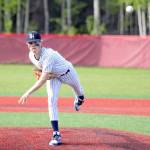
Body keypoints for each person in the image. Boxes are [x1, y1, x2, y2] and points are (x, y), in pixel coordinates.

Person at [18, 31, 85, 146]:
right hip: (54, 77)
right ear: (27, 45)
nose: (33, 45)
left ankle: (80, 98)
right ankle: (56, 134)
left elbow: (42, 80)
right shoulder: (31, 56)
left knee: (79, 93)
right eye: (31, 43)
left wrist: (28, 92)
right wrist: (45, 74)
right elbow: (43, 71)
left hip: (68, 73)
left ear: (41, 43)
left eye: (36, 43)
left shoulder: (49, 55)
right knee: (51, 101)